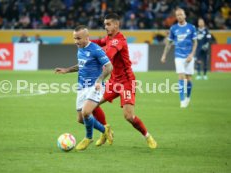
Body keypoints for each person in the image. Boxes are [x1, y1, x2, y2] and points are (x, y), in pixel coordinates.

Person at [91, 13, 157, 149]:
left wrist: (96, 53)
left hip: (126, 82)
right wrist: (86, 42)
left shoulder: (119, 40)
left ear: (116, 25)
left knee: (128, 116)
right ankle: (105, 131)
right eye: (105, 24)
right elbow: (100, 42)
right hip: (113, 81)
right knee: (92, 104)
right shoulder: (109, 38)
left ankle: (147, 136)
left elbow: (108, 55)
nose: (105, 27)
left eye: (108, 24)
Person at [55, 25, 113, 151]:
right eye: (74, 38)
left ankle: (88, 138)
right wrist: (66, 70)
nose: (76, 41)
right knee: (81, 119)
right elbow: (81, 65)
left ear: (87, 37)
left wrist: (99, 80)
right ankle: (105, 129)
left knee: (86, 112)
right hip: (82, 87)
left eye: (79, 38)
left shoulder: (96, 49)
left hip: (95, 86)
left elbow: (109, 66)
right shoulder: (80, 49)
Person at [161, 8, 198, 108]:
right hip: (178, 56)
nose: (179, 16)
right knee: (181, 76)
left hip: (189, 56)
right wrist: (164, 55)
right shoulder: (173, 28)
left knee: (189, 79)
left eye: (181, 14)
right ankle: (182, 101)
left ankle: (188, 97)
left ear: (185, 15)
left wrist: (191, 55)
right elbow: (168, 43)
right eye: (177, 15)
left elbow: (195, 42)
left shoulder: (191, 27)